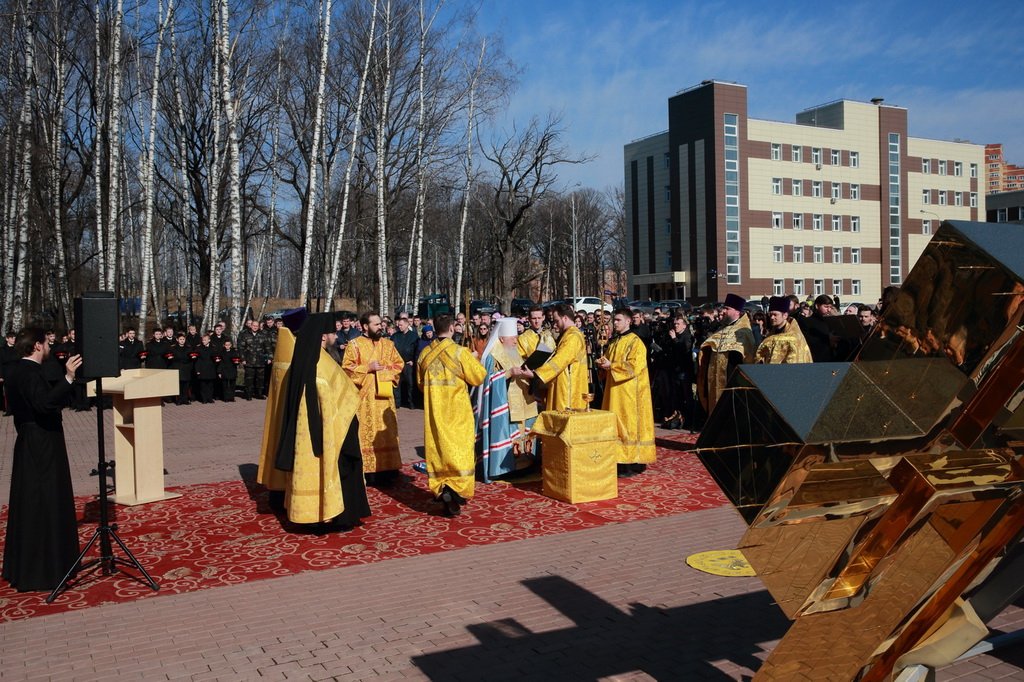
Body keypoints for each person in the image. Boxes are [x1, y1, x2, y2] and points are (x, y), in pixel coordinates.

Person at [269, 313, 370, 530]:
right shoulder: (320, 364)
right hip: (328, 429)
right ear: (323, 337)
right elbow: (332, 397)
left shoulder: (308, 358)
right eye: (332, 332)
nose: (336, 336)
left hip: (315, 430)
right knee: (337, 469)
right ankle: (334, 516)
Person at [2, 328, 83, 592]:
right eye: (47, 343)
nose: (50, 347)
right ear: (37, 346)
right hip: (42, 441)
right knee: (45, 500)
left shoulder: (14, 371)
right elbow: (44, 404)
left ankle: (28, 563)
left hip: (27, 437)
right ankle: (45, 568)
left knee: (31, 501)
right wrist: (68, 378)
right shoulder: (30, 372)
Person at [417, 314, 486, 517]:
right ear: (452, 329)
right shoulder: (459, 352)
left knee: (439, 449)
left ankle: (442, 487)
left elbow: (421, 385)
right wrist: (474, 359)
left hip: (435, 412)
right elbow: (478, 376)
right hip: (457, 412)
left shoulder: (424, 354)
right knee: (460, 449)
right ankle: (455, 491)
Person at [342, 312, 403, 486]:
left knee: (387, 433)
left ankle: (388, 470)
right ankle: (367, 472)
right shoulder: (354, 345)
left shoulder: (389, 344)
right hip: (365, 399)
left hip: (384, 399)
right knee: (365, 435)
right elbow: (346, 368)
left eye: (380, 324)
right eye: (376, 324)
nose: (380, 327)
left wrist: (383, 370)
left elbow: (399, 364)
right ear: (364, 326)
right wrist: (367, 367)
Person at [474, 317, 539, 482]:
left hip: (523, 400)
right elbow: (489, 380)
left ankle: (526, 464)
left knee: (525, 434)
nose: (516, 341)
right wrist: (510, 373)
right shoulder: (493, 356)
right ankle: (507, 467)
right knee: (511, 436)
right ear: (502, 338)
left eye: (517, 337)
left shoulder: (513, 351)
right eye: (513, 338)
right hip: (505, 405)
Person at [596, 309, 656, 477]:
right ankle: (618, 460)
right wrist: (602, 364)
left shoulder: (635, 342)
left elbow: (634, 366)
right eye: (614, 320)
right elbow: (608, 361)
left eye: (618, 320)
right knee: (615, 424)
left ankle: (631, 463)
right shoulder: (615, 341)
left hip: (629, 394)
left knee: (628, 425)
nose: (614, 323)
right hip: (614, 391)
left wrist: (611, 366)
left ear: (628, 321)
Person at [515, 303, 589, 411]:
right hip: (556, 384)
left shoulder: (573, 336)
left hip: (568, 391)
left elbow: (559, 361)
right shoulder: (568, 334)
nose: (555, 325)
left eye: (557, 321)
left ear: (564, 318)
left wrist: (536, 374)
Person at [697, 293, 756, 416]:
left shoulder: (744, 332)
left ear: (737, 312)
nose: (722, 311)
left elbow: (746, 360)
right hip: (715, 382)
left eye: (727, 308)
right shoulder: (722, 329)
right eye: (723, 308)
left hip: (731, 383)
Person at [755, 296, 813, 365]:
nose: (772, 317)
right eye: (770, 315)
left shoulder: (794, 337)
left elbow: (795, 360)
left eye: (775, 315)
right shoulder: (771, 334)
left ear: (785, 315)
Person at [798, 294, 837, 362]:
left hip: (831, 360)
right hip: (815, 360)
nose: (829, 310)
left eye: (830, 307)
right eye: (826, 307)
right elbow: (807, 342)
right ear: (817, 306)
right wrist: (828, 339)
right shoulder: (806, 322)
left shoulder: (831, 322)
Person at [391, 315, 419, 409]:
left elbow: (417, 350)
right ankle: (397, 403)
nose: (399, 326)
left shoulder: (414, 336)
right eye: (398, 325)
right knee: (396, 384)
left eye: (401, 325)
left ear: (407, 325)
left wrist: (414, 361)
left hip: (408, 364)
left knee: (410, 384)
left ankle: (411, 402)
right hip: (397, 364)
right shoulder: (395, 336)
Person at [167, 332, 193, 404]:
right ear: (177, 340)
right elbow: (172, 357)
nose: (182, 340)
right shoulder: (173, 348)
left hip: (186, 368)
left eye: (183, 339)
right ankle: (179, 399)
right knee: (179, 385)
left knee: (186, 385)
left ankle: (185, 399)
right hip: (177, 368)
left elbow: (190, 357)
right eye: (180, 339)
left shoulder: (189, 347)